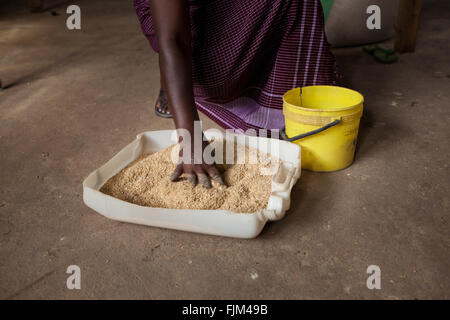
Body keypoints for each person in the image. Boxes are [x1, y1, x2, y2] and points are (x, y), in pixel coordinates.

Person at [134, 0, 336, 187]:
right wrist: (190, 138)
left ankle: (271, 100)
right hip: (180, 25)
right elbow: (174, 39)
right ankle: (174, 81)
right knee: (213, 80)